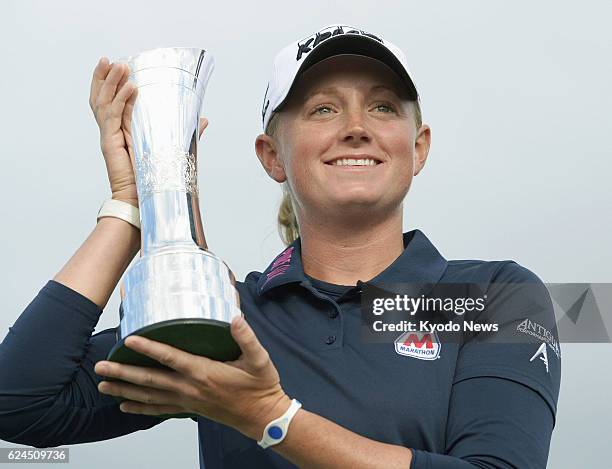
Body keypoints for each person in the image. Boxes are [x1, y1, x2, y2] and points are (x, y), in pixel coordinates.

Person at [0, 23, 561, 468]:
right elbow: (19, 403)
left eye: (384, 106)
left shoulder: (495, 297)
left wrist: (268, 417)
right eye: (322, 108)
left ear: (419, 148)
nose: (356, 126)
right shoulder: (230, 319)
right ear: (272, 156)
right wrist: (132, 203)